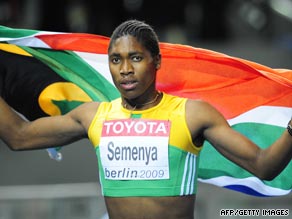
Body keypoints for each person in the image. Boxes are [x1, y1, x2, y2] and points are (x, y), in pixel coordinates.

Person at [0, 19, 292, 219]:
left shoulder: (192, 114)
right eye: (116, 60)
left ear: (157, 62)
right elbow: (19, 136)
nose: (125, 69)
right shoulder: (94, 116)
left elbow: (264, 166)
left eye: (136, 58)